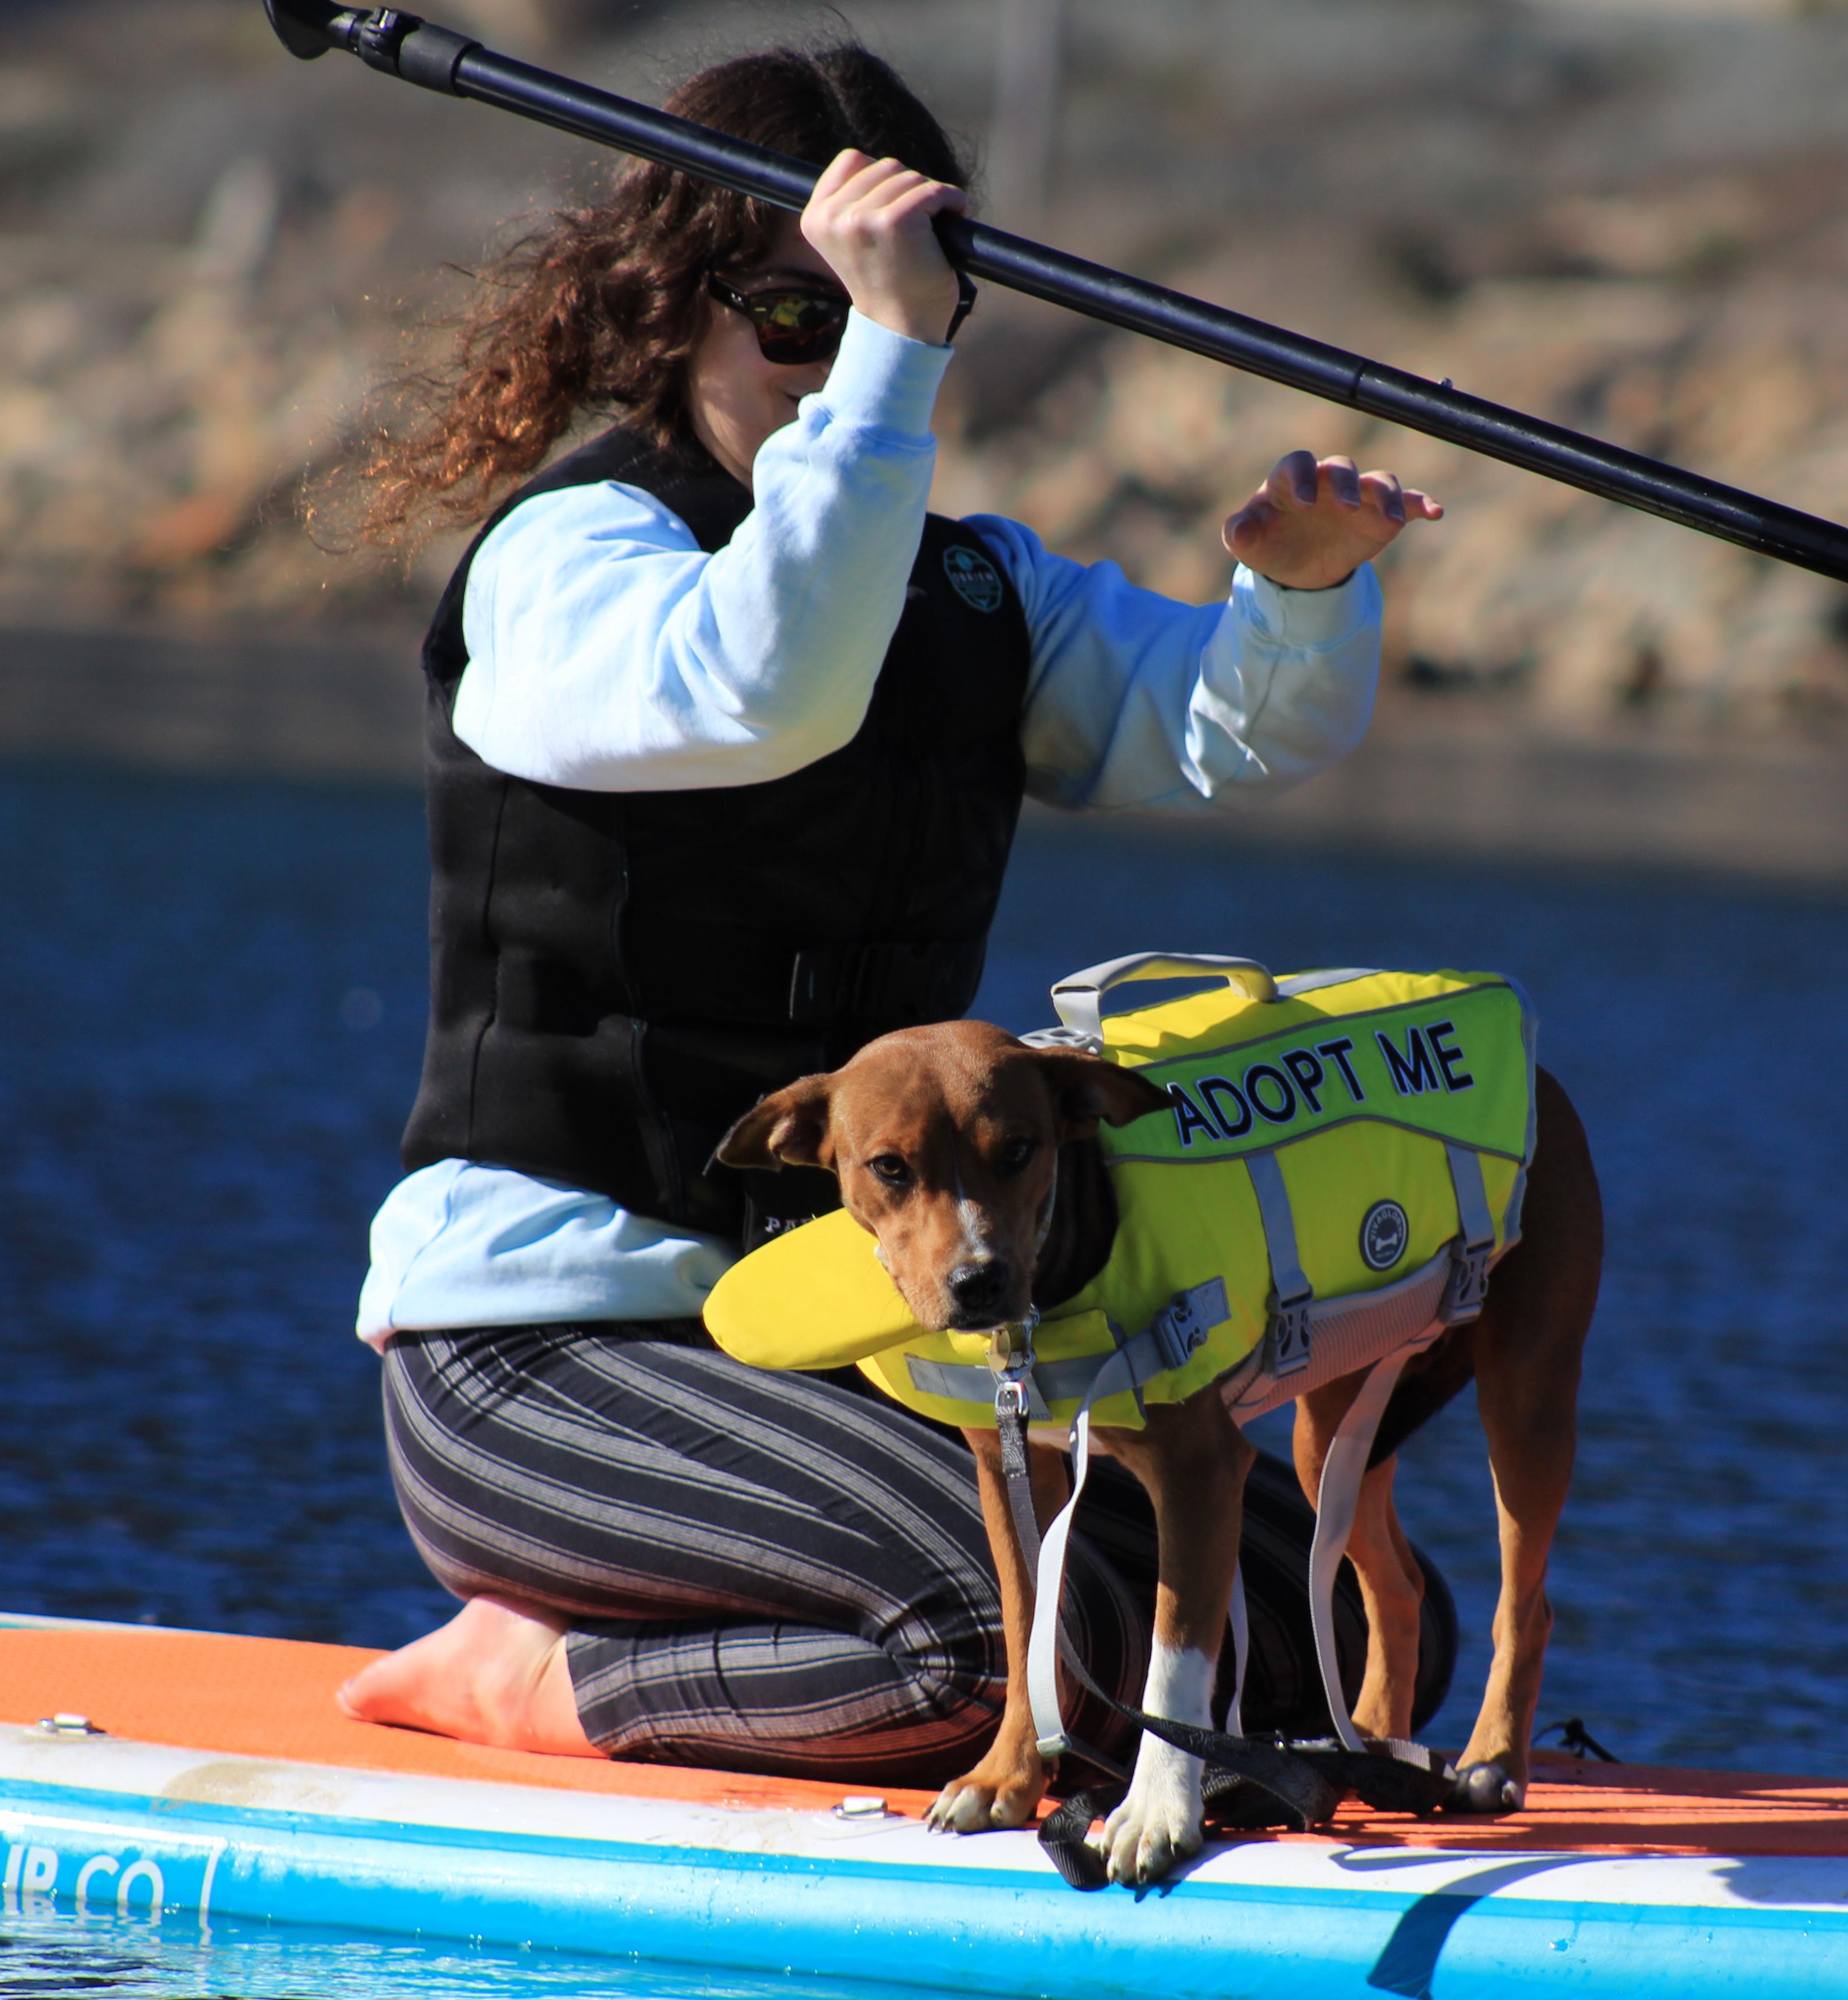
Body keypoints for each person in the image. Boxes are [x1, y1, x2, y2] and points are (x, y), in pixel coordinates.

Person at [337, 44, 1456, 1789]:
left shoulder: (978, 589)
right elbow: (763, 681)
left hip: (866, 1329)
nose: (846, 358)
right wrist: (892, 354)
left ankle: (723, 1649)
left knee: (1339, 1635)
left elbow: (1225, 727)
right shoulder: (570, 563)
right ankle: (536, 1680)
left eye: (903, 307)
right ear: (672, 308)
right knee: (1005, 1652)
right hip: (551, 1351)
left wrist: (1298, 602)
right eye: (808, 315)